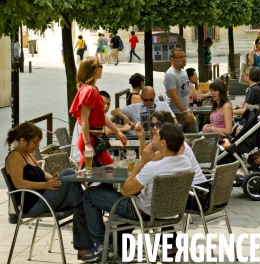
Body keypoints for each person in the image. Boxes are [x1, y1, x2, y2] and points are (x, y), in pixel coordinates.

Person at [82, 123, 193, 263]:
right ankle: (115, 246)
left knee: (89, 194)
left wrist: (141, 162)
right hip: (170, 211)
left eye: (156, 136)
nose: (153, 138)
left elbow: (125, 191)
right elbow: (160, 160)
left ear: (163, 142)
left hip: (142, 212)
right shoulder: (185, 162)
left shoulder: (153, 167)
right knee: (111, 194)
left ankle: (100, 246)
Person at [5, 122, 91, 259]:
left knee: (78, 200)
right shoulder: (15, 156)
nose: (38, 146)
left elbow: (44, 175)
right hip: (33, 205)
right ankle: (87, 246)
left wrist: (54, 179)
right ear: (22, 140)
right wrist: (45, 186)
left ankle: (84, 248)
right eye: (35, 142)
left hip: (43, 197)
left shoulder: (28, 154)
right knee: (70, 173)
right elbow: (19, 183)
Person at [69, 57, 127, 168]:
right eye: (101, 66)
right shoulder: (90, 90)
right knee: (107, 172)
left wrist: (117, 132)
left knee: (88, 174)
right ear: (94, 69)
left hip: (94, 139)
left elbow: (101, 116)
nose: (102, 69)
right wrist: (87, 143)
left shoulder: (91, 89)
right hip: (91, 139)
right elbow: (84, 118)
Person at [163, 48, 197, 132]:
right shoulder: (170, 75)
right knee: (177, 140)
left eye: (184, 56)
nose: (183, 59)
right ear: (172, 59)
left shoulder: (184, 71)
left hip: (187, 111)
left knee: (195, 137)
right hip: (177, 113)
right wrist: (184, 112)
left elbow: (186, 89)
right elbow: (173, 95)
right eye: (180, 57)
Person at [111, 86, 176, 126]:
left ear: (154, 96)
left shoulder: (163, 105)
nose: (149, 103)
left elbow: (175, 121)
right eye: (146, 100)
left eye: (151, 99)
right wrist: (124, 116)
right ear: (141, 98)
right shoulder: (136, 107)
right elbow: (114, 111)